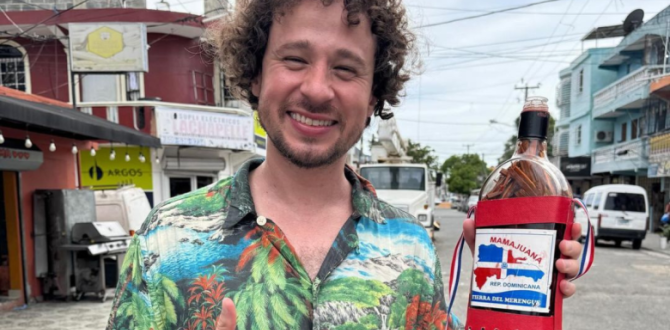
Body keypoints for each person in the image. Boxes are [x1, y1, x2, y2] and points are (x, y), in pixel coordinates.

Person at [107, 1, 584, 329]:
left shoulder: (411, 247)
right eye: (294, 59)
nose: (317, 89)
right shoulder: (165, 240)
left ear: (375, 94)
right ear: (254, 73)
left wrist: (514, 292)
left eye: (345, 68)